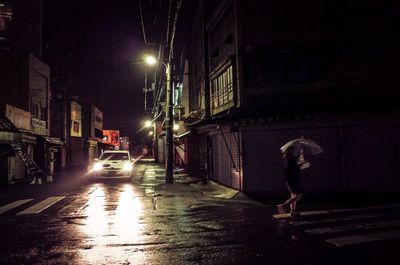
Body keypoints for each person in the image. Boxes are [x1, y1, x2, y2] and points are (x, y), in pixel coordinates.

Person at [277, 148, 303, 216]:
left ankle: (292, 211)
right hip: (293, 180)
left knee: (293, 195)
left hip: (289, 180)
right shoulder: (292, 160)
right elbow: (295, 170)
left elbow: (292, 169)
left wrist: (299, 165)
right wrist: (301, 165)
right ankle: (283, 206)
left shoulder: (288, 159)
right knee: (298, 196)